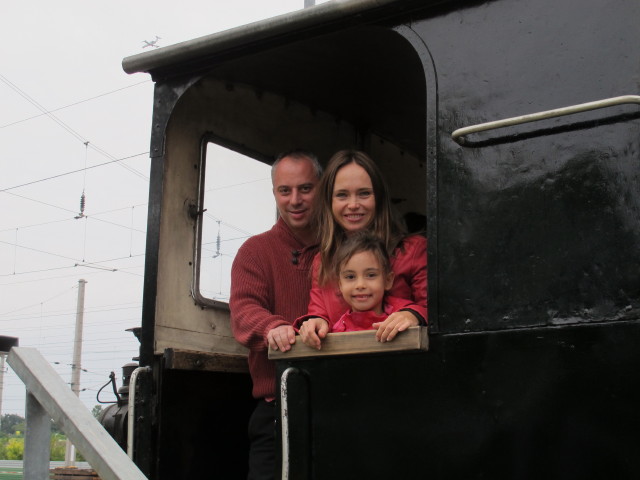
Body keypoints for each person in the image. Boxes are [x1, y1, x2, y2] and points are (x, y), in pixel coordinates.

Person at [229, 149, 322, 480]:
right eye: (285, 190)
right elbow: (243, 311)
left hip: (339, 402)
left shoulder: (344, 249)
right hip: (276, 408)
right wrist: (275, 328)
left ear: (322, 188)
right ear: (274, 194)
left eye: (305, 189)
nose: (295, 199)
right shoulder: (254, 251)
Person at [296, 149, 427, 349]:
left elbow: (438, 313)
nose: (353, 204)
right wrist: (315, 323)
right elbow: (318, 312)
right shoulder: (322, 261)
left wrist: (413, 315)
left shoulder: (413, 250)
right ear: (329, 202)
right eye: (342, 195)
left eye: (364, 193)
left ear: (379, 198)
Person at [328, 231, 416, 332]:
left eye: (371, 275)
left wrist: (412, 316)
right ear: (340, 285)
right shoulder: (338, 330)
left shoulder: (405, 316)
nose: (360, 285)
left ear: (387, 280)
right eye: (350, 277)